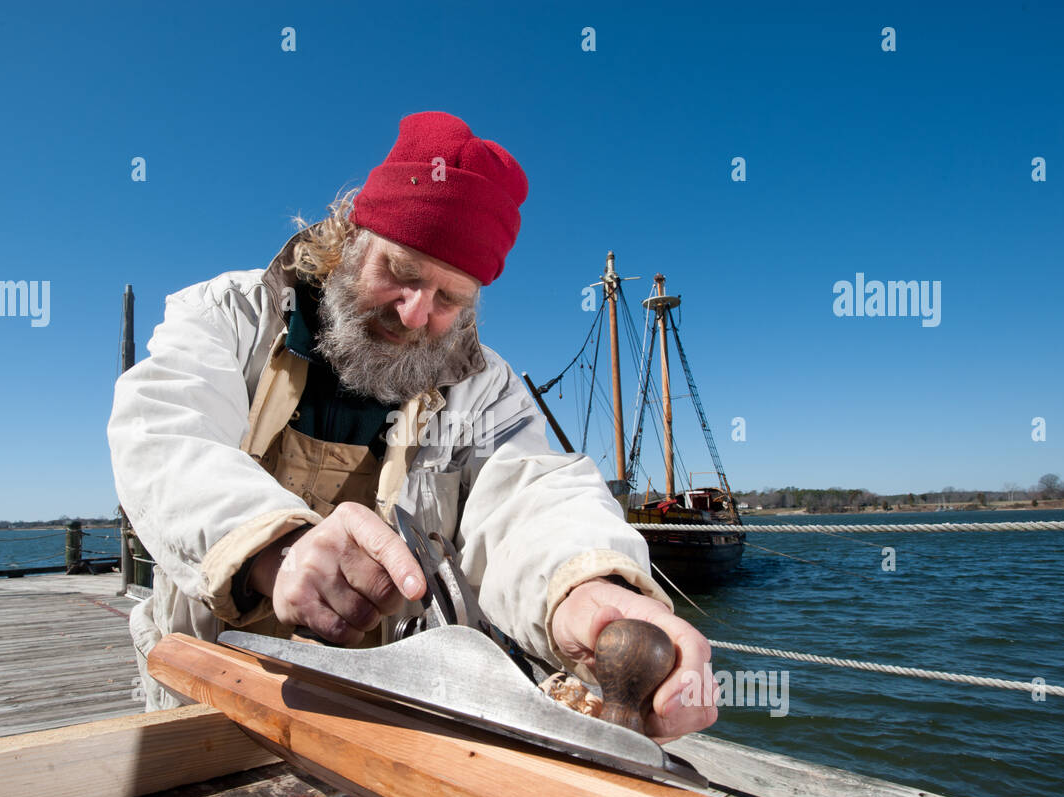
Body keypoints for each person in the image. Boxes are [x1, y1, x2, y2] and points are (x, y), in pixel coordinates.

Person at [107, 111, 716, 742]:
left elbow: (528, 493)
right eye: (400, 272)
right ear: (351, 240)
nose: (416, 313)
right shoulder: (230, 316)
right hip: (213, 682)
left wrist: (584, 586)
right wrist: (275, 546)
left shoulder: (482, 385)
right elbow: (164, 433)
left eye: (449, 298)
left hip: (385, 712)